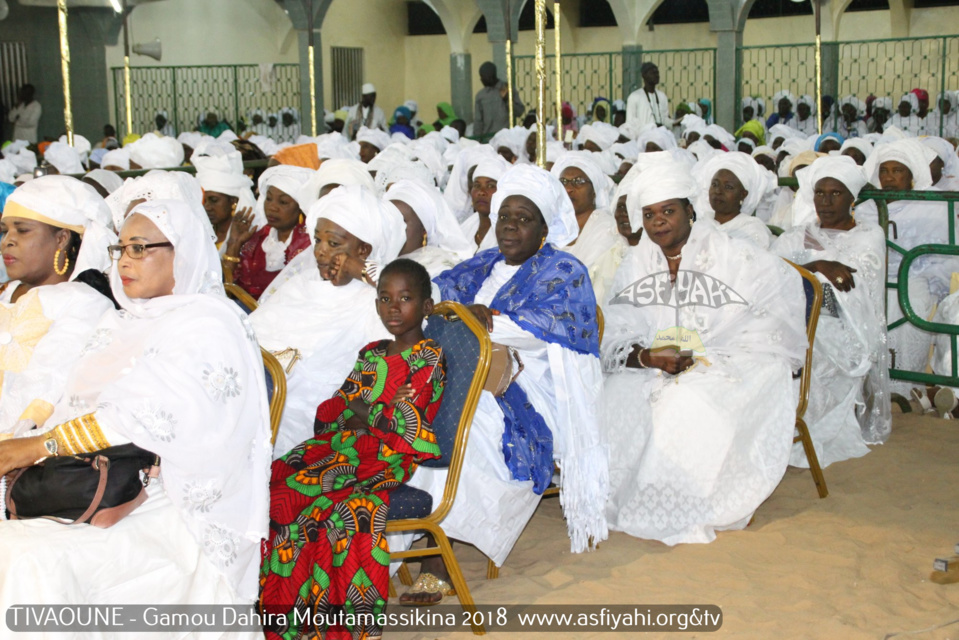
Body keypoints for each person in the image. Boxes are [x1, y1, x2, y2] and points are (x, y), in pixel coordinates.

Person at [0, 199, 271, 620]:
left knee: (25, 557)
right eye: (121, 248)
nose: (125, 260)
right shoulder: (121, 320)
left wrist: (38, 447)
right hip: (87, 473)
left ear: (182, 252)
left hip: (165, 496)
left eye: (140, 248)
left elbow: (137, 417)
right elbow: (72, 401)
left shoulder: (207, 325)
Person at [399, 164, 608, 603]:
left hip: (530, 388)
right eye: (504, 217)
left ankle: (439, 554)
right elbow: (435, 298)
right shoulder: (483, 264)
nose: (510, 226)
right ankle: (410, 522)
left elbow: (541, 332)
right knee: (408, 406)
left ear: (544, 228)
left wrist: (487, 320)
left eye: (524, 218)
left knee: (467, 421)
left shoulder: (564, 271)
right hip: (462, 376)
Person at [601, 160, 806, 545]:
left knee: (683, 400)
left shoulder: (732, 254)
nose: (659, 222)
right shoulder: (637, 260)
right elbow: (617, 325)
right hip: (662, 362)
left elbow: (780, 296)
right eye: (649, 215)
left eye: (668, 211)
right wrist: (647, 356)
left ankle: (675, 504)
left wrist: (700, 352)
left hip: (736, 359)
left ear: (690, 211)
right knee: (616, 393)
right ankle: (620, 496)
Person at [260, 258, 445, 640]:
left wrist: (362, 408)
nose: (393, 308)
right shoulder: (371, 353)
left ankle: (326, 622)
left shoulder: (428, 357)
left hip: (382, 459)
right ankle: (285, 612)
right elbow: (331, 410)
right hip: (339, 446)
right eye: (384, 299)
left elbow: (402, 427)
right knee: (274, 483)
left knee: (319, 504)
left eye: (405, 298)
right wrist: (375, 408)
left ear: (426, 305)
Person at [250, 185, 405, 458]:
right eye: (317, 240)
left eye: (333, 244)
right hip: (261, 384)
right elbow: (250, 335)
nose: (320, 252)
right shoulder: (301, 283)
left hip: (311, 408)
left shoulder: (375, 301)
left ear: (363, 250)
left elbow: (412, 302)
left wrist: (360, 269)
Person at [772, 156, 891, 466]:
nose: (825, 201)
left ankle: (791, 426)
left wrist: (801, 272)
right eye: (819, 193)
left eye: (835, 193)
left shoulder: (867, 236)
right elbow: (767, 272)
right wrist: (816, 265)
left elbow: (852, 291)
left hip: (842, 331)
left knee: (808, 353)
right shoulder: (795, 236)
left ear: (853, 199)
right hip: (792, 321)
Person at [0, 176, 117, 440]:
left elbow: (43, 386)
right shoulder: (5, 292)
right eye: (5, 230)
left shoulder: (85, 302)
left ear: (62, 238)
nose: (7, 241)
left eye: (22, 230)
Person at [856, 139, 949, 395]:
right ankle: (870, 391)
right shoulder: (865, 208)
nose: (889, 177)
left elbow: (942, 259)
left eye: (897, 171)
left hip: (915, 277)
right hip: (873, 278)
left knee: (911, 306)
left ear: (911, 175)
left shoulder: (931, 206)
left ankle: (907, 389)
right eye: (884, 171)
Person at [224, 165, 313, 299]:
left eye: (283, 202)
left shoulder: (309, 246)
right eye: (269, 198)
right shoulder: (256, 241)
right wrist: (234, 244)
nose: (272, 207)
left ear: (300, 207)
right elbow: (226, 291)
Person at [551, 152, 627, 301]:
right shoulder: (550, 229)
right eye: (563, 182)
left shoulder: (607, 230)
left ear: (594, 192)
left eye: (578, 181)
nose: (569, 188)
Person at [386, 179, 473, 277]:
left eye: (403, 222)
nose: (394, 229)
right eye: (389, 221)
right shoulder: (377, 260)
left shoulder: (441, 271)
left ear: (424, 230)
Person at [693, 151, 777, 249]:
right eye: (714, 184)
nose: (718, 191)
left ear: (743, 195)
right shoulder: (702, 223)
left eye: (728, 187)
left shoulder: (752, 230)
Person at [192, 140, 258, 256]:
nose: (207, 207)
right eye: (203, 200)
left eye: (214, 200)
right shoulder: (199, 234)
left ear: (233, 201)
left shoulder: (249, 237)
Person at [460, 155, 510, 252]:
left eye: (490, 186)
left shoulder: (510, 234)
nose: (481, 192)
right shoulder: (465, 229)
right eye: (477, 185)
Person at [473, 62, 525, 140]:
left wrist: (507, 100)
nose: (481, 80)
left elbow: (519, 112)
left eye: (483, 77)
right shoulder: (480, 96)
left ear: (491, 76)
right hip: (488, 140)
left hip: (507, 139)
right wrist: (476, 140)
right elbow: (478, 122)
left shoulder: (508, 89)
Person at [626, 62, 670, 129]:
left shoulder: (662, 96)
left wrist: (675, 122)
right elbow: (630, 123)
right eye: (653, 73)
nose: (657, 75)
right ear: (644, 75)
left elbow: (665, 119)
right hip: (643, 134)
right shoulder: (634, 97)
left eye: (657, 73)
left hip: (661, 133)